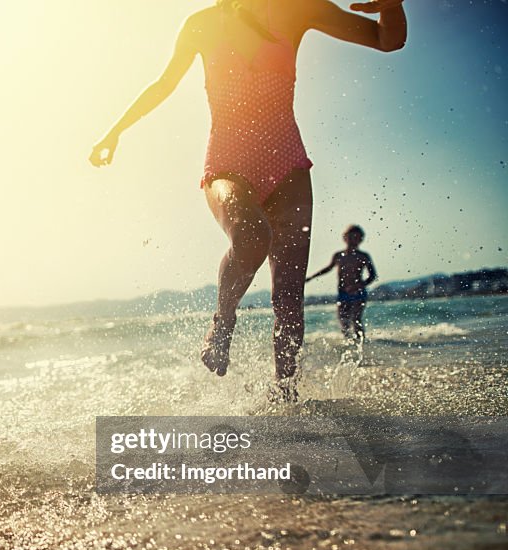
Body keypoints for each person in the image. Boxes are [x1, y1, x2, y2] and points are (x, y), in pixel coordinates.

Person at [89, 0, 406, 398]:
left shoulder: (299, 9)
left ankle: (286, 398)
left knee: (289, 297)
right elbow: (164, 83)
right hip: (227, 165)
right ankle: (223, 320)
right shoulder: (201, 24)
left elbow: (386, 40)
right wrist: (115, 132)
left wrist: (393, 5)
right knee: (252, 236)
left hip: (289, 163)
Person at [306, 224, 378, 342]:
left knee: (356, 319)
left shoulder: (363, 256)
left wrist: (359, 285)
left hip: (359, 293)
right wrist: (311, 277)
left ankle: (362, 344)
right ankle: (348, 344)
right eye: (350, 237)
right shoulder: (339, 256)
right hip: (342, 293)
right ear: (344, 238)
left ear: (361, 239)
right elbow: (328, 269)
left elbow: (372, 276)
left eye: (356, 237)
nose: (352, 240)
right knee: (343, 321)